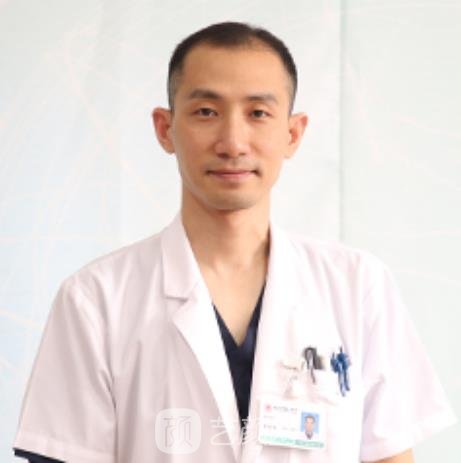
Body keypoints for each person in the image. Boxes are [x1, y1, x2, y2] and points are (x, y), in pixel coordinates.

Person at [13, 21, 456, 463]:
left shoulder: (357, 285)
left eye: (258, 113)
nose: (232, 143)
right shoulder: (95, 299)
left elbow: (389, 455)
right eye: (207, 112)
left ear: (293, 133)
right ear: (165, 129)